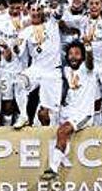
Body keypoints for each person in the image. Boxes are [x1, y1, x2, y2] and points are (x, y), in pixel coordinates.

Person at [40, 40, 96, 181]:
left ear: (82, 57)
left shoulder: (87, 70)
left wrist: (88, 48)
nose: (73, 57)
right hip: (66, 112)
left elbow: (90, 62)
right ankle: (60, 155)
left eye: (77, 54)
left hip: (83, 114)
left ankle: (53, 169)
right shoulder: (65, 71)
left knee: (62, 131)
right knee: (43, 115)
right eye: (70, 54)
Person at [12, 2, 64, 128]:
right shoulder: (25, 32)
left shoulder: (52, 24)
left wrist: (52, 7)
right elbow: (19, 51)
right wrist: (15, 47)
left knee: (50, 115)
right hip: (37, 68)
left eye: (38, 9)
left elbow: (60, 10)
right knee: (19, 81)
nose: (36, 12)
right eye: (33, 10)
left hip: (53, 71)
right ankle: (23, 115)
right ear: (29, 12)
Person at [0, 0, 29, 125]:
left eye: (18, 8)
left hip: (23, 67)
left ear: (23, 5)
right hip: (5, 68)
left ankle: (20, 126)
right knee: (7, 103)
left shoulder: (28, 20)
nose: (15, 10)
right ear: (7, 5)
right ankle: (7, 128)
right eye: (12, 7)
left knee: (21, 101)